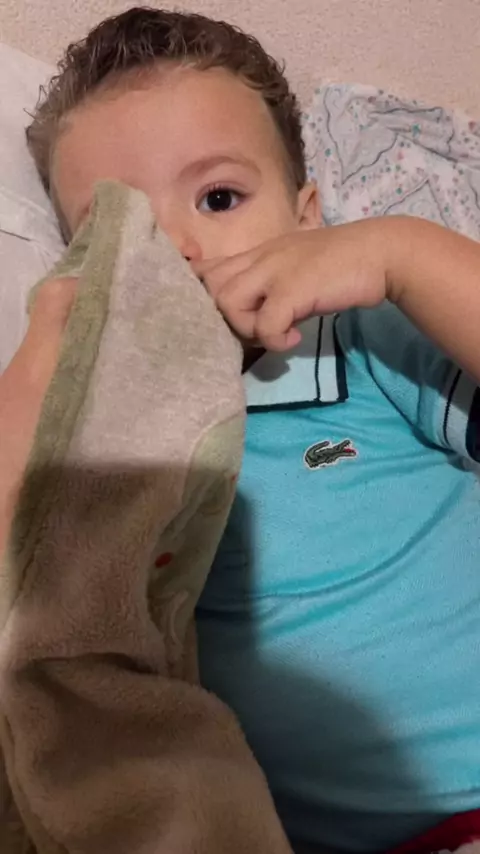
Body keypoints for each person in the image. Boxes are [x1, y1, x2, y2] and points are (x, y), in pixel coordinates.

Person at [4, 6, 479, 852]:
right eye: (120, 231)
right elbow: (21, 562)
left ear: (307, 218)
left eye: (219, 198)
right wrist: (48, 346)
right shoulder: (107, 424)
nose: (178, 250)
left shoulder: (365, 339)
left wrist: (400, 255)